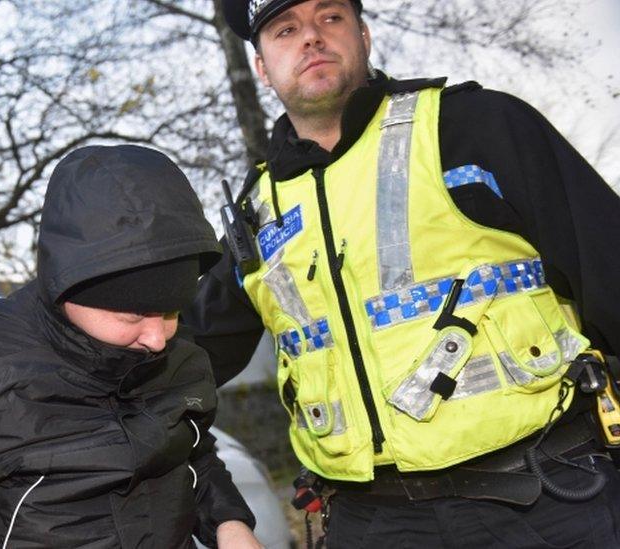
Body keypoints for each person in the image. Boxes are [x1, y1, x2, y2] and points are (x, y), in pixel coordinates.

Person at [184, 0, 620, 545]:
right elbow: (181, 369)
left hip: (544, 499)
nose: (311, 39)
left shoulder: (475, 127)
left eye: (330, 18)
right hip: (370, 523)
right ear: (263, 69)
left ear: (363, 35)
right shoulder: (257, 214)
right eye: (285, 29)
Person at [0, 145, 262, 548]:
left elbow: (195, 451)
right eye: (132, 316)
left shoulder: (179, 354)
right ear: (68, 289)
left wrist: (230, 523)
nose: (157, 337)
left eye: (172, 312)